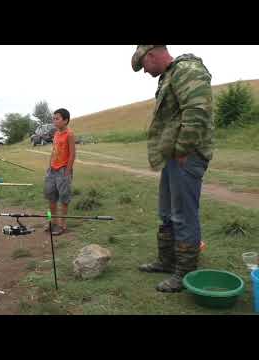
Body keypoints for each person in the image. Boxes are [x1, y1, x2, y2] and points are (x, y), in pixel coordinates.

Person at [131, 45, 214, 292]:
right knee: (167, 212)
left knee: (183, 215)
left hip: (186, 155)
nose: (145, 72)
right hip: (174, 155)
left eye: (143, 66)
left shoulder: (187, 69)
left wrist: (182, 149)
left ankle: (185, 273)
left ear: (151, 55)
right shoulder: (170, 75)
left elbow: (197, 111)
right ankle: (167, 262)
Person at [44, 108, 76, 236]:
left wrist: (67, 172)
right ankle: (52, 222)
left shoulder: (70, 134)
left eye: (57, 118)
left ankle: (63, 225)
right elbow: (54, 151)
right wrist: (49, 166)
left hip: (63, 170)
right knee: (51, 198)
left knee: (64, 199)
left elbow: (73, 154)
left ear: (65, 120)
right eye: (54, 118)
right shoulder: (56, 133)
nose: (54, 121)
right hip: (52, 170)